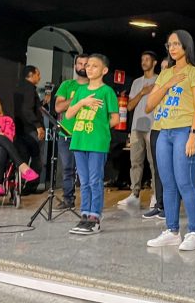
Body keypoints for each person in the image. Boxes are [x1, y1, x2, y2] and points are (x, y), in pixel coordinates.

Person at [145, 30, 195, 251]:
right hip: (164, 131)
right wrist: (167, 84)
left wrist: (193, 134)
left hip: (185, 130)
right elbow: (149, 105)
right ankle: (171, 230)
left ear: (186, 46)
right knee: (168, 183)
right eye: (169, 44)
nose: (172, 48)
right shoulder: (165, 74)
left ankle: (194, 232)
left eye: (176, 44)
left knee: (184, 181)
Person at [65, 54, 119, 235]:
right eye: (88, 65)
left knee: (95, 180)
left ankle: (95, 217)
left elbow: (115, 118)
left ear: (104, 70)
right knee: (84, 181)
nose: (89, 68)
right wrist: (83, 102)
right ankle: (84, 215)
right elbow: (68, 115)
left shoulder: (107, 92)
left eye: (94, 66)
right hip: (79, 140)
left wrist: (100, 129)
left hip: (96, 142)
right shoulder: (80, 91)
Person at [118, 51, 158, 209]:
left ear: (154, 62)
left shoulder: (159, 80)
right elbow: (129, 106)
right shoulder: (136, 82)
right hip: (137, 127)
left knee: (153, 161)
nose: (144, 62)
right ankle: (134, 194)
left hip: (153, 125)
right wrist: (142, 92)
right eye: (142, 59)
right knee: (135, 161)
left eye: (147, 59)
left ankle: (156, 194)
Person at [53, 54, 89, 211]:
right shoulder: (67, 85)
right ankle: (68, 199)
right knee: (67, 168)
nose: (82, 66)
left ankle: (89, 203)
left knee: (86, 171)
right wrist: (78, 100)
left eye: (86, 64)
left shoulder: (95, 86)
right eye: (79, 63)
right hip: (66, 134)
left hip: (86, 134)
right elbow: (58, 107)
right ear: (75, 66)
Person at [142, 57, 170, 220]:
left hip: (171, 129)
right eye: (162, 67)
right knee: (158, 170)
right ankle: (159, 205)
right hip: (156, 128)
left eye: (167, 67)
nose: (164, 70)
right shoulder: (159, 86)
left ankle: (169, 206)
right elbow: (148, 107)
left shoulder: (177, 85)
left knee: (169, 171)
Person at [13, 65, 45, 191]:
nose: (40, 77)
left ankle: (18, 186)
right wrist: (38, 126)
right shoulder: (30, 89)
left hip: (20, 129)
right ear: (31, 75)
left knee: (22, 157)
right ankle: (30, 187)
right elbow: (27, 110)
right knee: (37, 158)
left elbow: (25, 108)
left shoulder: (18, 88)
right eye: (38, 74)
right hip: (31, 130)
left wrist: (42, 103)